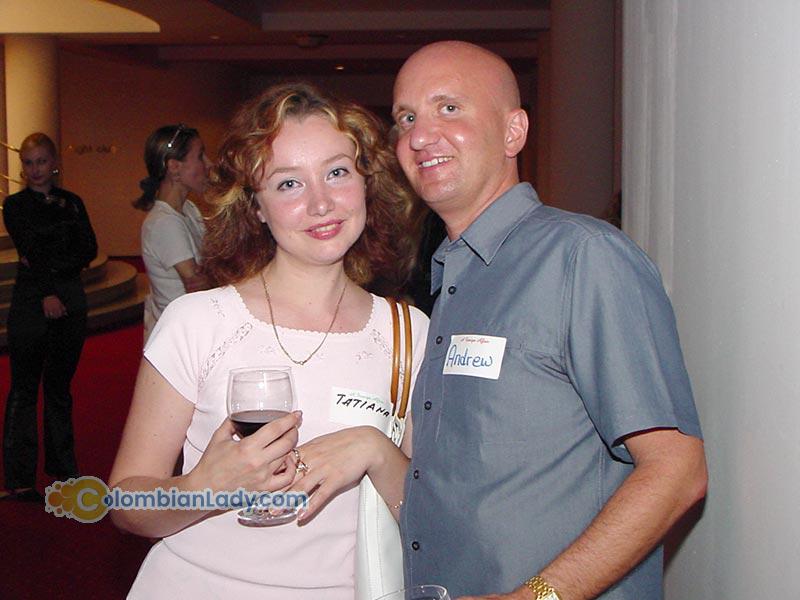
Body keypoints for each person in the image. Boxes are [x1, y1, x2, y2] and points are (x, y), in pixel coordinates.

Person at [392, 41, 708, 600]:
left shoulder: (582, 257)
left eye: (449, 108)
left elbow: (677, 471)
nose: (419, 136)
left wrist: (537, 596)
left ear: (513, 132)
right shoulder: (453, 278)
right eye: (406, 118)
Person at [109, 82, 428, 599]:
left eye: (337, 172)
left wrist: (375, 451)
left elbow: (427, 525)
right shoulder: (198, 322)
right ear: (255, 206)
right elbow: (125, 503)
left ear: (367, 183)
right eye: (288, 183)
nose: (321, 202)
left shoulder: (408, 334)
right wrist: (202, 489)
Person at [1, 133, 98, 502]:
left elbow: (89, 248)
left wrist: (53, 267)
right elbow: (29, 248)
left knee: (59, 388)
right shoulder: (14, 205)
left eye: (41, 161)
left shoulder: (72, 202)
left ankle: (63, 468)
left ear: (54, 162)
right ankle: (20, 478)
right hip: (31, 300)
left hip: (70, 298)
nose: (35, 169)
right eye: (28, 163)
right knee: (24, 388)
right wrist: (48, 289)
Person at [133, 124, 212, 342]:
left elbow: (211, 263)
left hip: (191, 327)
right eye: (200, 156)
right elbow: (196, 285)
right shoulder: (164, 223)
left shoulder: (188, 209)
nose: (208, 164)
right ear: (174, 167)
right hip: (180, 336)